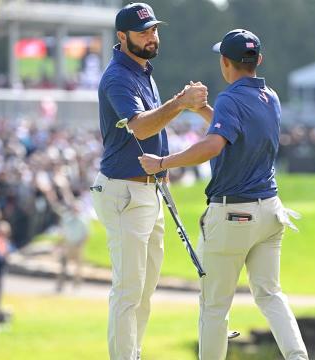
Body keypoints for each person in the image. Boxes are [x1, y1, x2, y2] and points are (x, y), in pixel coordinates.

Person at [139, 29, 309, 360]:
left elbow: (215, 143)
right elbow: (234, 128)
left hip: (234, 214)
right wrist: (203, 111)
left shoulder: (231, 98)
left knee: (215, 306)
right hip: (271, 211)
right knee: (270, 294)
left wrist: (162, 162)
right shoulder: (270, 97)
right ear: (258, 60)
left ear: (224, 63)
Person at [90, 3, 208, 359]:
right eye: (144, 32)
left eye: (154, 30)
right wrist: (180, 102)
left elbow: (152, 129)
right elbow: (140, 126)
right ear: (122, 37)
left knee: (143, 290)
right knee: (128, 290)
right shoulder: (117, 77)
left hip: (149, 190)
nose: (152, 37)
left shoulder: (143, 71)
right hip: (124, 190)